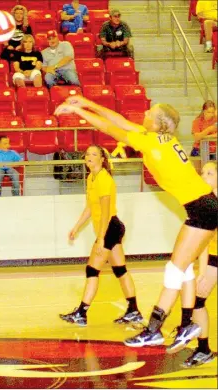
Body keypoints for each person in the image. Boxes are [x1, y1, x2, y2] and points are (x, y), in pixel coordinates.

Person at [55, 95, 218, 349]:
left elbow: (111, 128)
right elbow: (119, 120)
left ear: (159, 122)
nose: (144, 115)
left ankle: (155, 329)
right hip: (202, 206)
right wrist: (86, 103)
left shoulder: (151, 142)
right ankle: (186, 325)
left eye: (150, 113)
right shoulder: (162, 139)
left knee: (175, 270)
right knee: (182, 269)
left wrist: (78, 112)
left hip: (202, 208)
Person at [59, 145, 143, 326]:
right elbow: (90, 207)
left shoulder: (104, 179)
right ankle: (134, 310)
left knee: (92, 270)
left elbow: (105, 212)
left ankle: (81, 313)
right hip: (111, 228)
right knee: (120, 270)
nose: (89, 156)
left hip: (110, 228)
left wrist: (101, 238)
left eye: (94, 154)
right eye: (87, 154)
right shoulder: (91, 177)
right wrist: (77, 227)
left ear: (102, 159)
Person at [177, 162, 217, 367]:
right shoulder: (206, 204)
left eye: (210, 173)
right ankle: (203, 350)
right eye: (202, 173)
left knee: (196, 302)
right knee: (197, 302)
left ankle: (203, 349)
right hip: (214, 259)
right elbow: (202, 243)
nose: (204, 176)